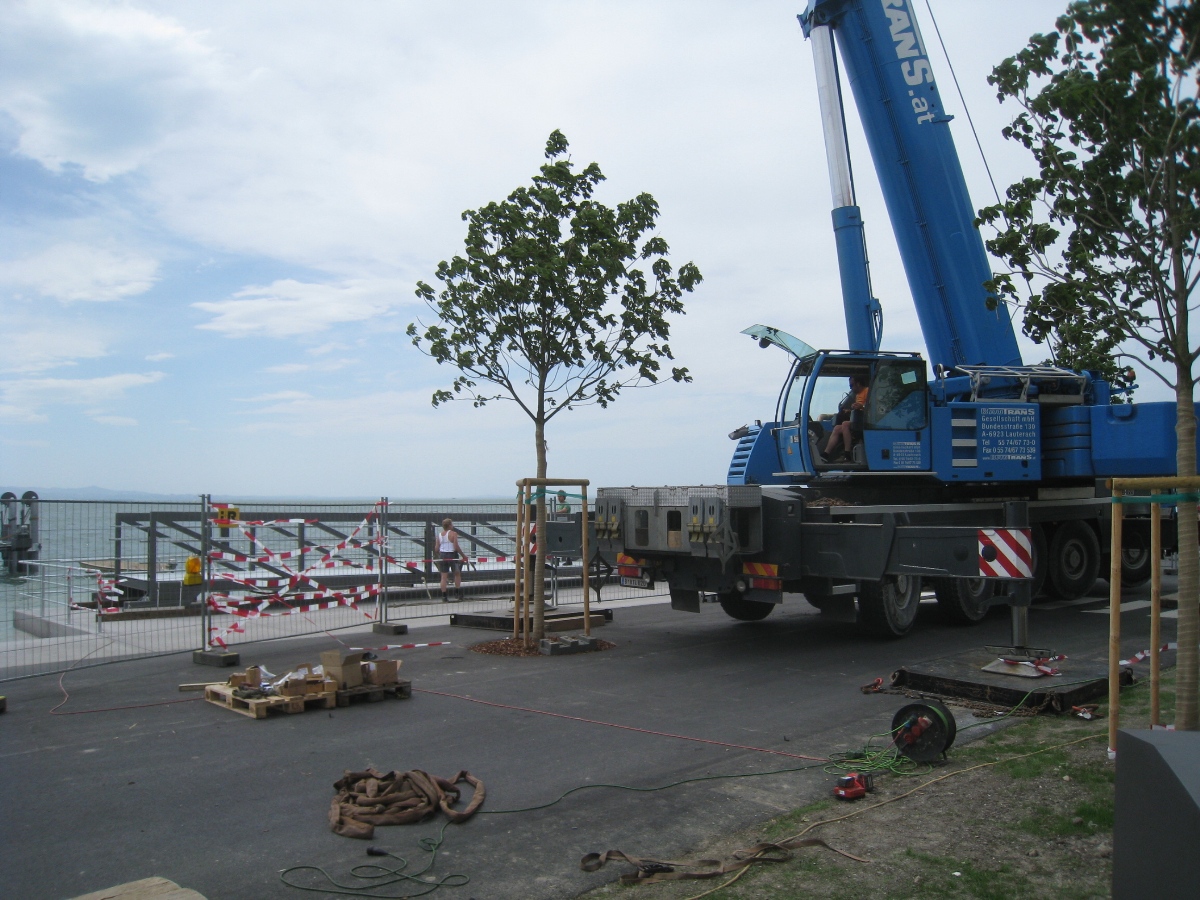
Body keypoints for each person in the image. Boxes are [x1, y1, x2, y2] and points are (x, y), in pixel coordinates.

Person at [823, 375, 869, 461]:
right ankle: (826, 454)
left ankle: (847, 453)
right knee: (837, 428)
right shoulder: (858, 395)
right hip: (857, 420)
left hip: (866, 421)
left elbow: (872, 408)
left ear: (858, 384)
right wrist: (849, 411)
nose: (850, 388)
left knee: (845, 424)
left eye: (852, 385)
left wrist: (861, 407)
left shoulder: (868, 391)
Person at [437, 517, 468, 601]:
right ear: (450, 525)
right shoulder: (453, 534)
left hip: (442, 555)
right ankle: (457, 592)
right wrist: (463, 555)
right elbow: (456, 546)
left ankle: (444, 596)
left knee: (443, 577)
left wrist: (440, 554)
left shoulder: (439, 535)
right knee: (457, 574)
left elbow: (436, 548)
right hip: (452, 555)